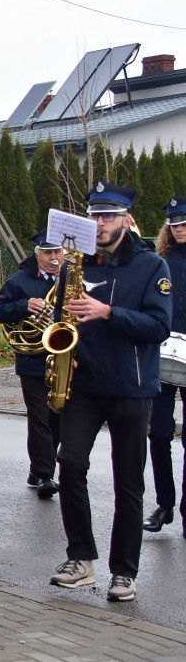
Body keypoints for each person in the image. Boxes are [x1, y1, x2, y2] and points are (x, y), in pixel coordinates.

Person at [47, 181, 172, 603]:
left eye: (108, 217)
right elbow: (63, 318)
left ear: (126, 220)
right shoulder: (75, 264)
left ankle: (124, 572)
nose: (99, 224)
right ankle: (81, 558)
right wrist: (65, 344)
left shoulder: (152, 267)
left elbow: (157, 327)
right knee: (70, 462)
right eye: (94, 216)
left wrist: (108, 312)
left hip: (132, 388)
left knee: (128, 483)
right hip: (83, 384)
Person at [0, 231, 64, 499]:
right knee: (40, 416)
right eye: (47, 253)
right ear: (37, 254)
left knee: (59, 416)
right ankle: (45, 473)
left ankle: (40, 468)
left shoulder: (73, 281)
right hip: (34, 359)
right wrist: (24, 305)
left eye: (57, 252)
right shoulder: (20, 281)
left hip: (66, 360)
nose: (53, 258)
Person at [146, 196, 186, 536]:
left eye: (185, 223)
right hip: (162, 351)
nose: (180, 228)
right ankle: (164, 504)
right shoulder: (160, 259)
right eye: (175, 223)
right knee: (158, 433)